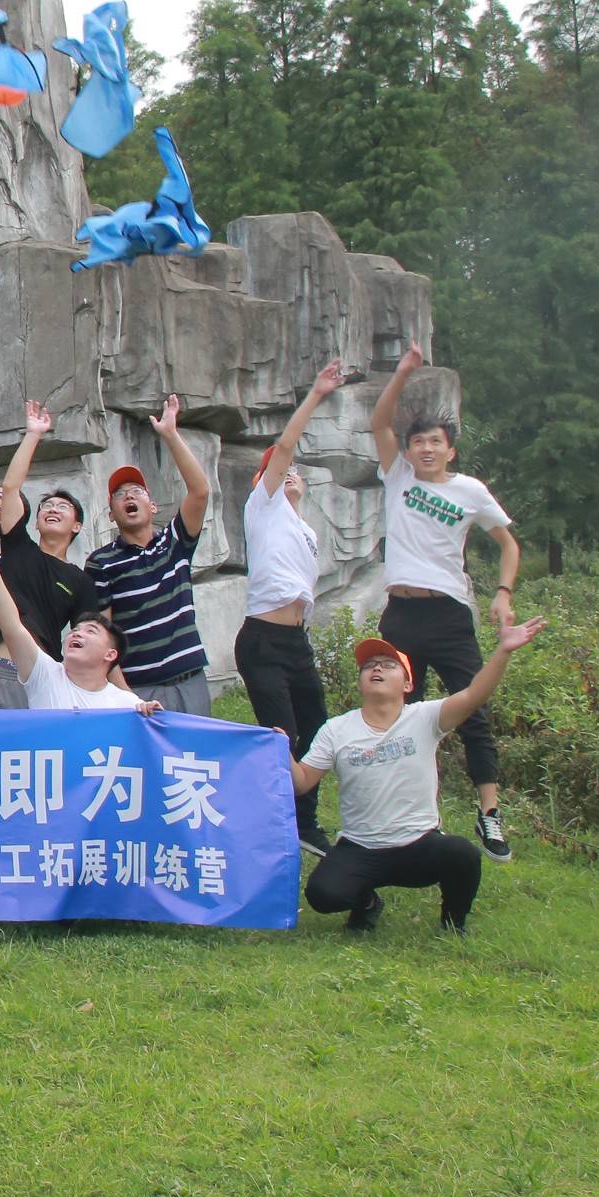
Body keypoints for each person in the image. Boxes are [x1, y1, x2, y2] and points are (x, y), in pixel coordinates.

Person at [373, 346, 524, 863]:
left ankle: (490, 813)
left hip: (449, 614)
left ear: (450, 450)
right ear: (409, 450)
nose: (426, 449)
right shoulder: (398, 477)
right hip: (401, 615)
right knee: (397, 714)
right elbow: (379, 422)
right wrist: (402, 373)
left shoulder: (470, 491)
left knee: (472, 708)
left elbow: (508, 545)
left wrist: (503, 592)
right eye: (418, 442)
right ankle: (403, 814)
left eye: (435, 442)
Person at [296, 622, 546, 932]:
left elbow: (474, 695)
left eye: (388, 665)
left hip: (418, 846)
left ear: (407, 684)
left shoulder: (424, 717)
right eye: (369, 666)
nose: (377, 668)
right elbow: (302, 781)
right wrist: (280, 750)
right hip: (360, 847)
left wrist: (503, 651)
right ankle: (368, 904)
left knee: (462, 854)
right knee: (322, 894)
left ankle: (453, 926)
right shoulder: (336, 729)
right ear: (360, 682)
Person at [238, 360, 348, 858]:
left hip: (296, 642)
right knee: (281, 735)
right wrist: (317, 394)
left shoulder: (305, 530)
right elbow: (284, 447)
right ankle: (276, 822)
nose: (290, 474)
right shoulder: (261, 507)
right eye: (283, 471)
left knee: (317, 730)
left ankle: (305, 822)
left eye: (296, 473)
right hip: (263, 640)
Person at [85, 394, 216, 714]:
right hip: (139, 686)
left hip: (190, 679)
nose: (129, 495)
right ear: (111, 514)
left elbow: (200, 491)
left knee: (196, 747)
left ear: (153, 506)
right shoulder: (101, 562)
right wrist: (128, 697)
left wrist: (171, 434)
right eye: (119, 494)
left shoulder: (174, 542)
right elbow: (104, 635)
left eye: (137, 491)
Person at [0, 401, 108, 709]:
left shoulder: (81, 581)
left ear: (77, 525)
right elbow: (10, 487)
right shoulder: (18, 546)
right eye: (46, 506)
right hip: (6, 671)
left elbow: (93, 637)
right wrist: (33, 435)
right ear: (35, 522)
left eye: (63, 507)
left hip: (50, 678)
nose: (52, 509)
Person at [0, 523, 155, 712]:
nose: (77, 634)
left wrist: (151, 712)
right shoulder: (45, 676)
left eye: (91, 631)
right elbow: (12, 625)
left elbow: (156, 720)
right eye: (76, 629)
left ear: (110, 654)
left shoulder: (126, 703)